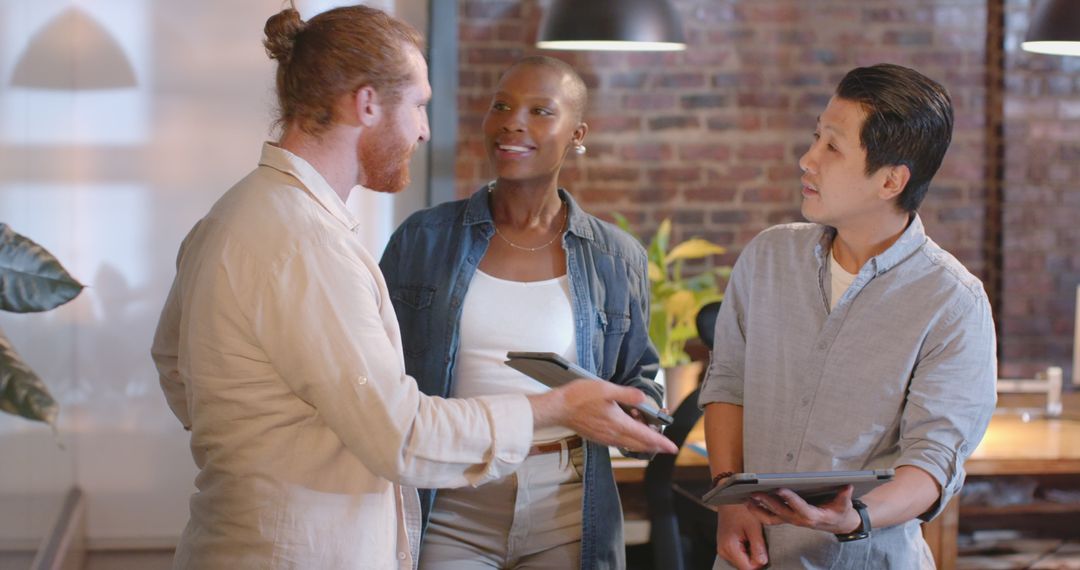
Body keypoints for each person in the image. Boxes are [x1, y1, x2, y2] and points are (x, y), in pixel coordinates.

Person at [150, 8, 675, 569]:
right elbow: (400, 435)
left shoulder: (238, 213)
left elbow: (174, 365)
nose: (425, 129)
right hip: (294, 550)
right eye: (419, 105)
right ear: (368, 103)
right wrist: (560, 406)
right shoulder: (306, 245)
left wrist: (258, 437)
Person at [699, 63, 997, 570]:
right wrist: (729, 500)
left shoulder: (953, 303)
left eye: (832, 147)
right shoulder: (769, 257)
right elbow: (728, 384)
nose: (807, 160)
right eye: (816, 136)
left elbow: (931, 462)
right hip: (752, 557)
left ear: (890, 181)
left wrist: (854, 517)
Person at [379, 56, 660, 570]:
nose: (513, 121)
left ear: (578, 133)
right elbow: (377, 373)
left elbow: (639, 378)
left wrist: (637, 411)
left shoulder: (616, 258)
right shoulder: (421, 240)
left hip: (565, 504)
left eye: (539, 110)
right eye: (501, 106)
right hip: (448, 495)